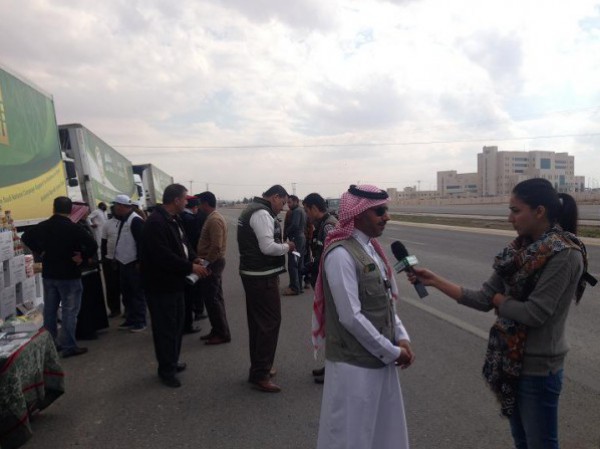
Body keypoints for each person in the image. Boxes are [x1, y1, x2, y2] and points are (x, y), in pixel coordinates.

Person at [408, 178, 595, 449]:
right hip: (509, 362)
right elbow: (483, 298)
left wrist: (500, 300)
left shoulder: (565, 254)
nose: (510, 218)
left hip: (538, 370)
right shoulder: (518, 251)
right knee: (522, 441)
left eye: (516, 211)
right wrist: (434, 281)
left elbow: (534, 313)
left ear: (539, 211)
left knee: (541, 444)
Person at [313, 184, 414, 449]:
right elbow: (351, 317)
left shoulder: (371, 250)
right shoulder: (341, 255)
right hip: (354, 368)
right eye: (379, 211)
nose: (386, 216)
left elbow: (385, 303)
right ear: (357, 213)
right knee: (351, 437)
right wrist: (393, 352)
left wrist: (402, 338)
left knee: (383, 433)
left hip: (381, 359)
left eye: (386, 210)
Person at [140, 184, 209, 388]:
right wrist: (190, 267)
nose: (187, 202)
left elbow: (183, 245)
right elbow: (163, 256)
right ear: (176, 200)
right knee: (165, 329)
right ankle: (166, 370)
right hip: (161, 286)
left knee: (176, 326)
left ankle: (172, 360)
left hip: (175, 283)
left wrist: (194, 259)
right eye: (185, 199)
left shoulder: (173, 219)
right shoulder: (156, 222)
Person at [21, 196, 98, 358]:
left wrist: (40, 251)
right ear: (70, 210)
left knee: (50, 311)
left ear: (53, 208)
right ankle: (69, 346)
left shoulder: (43, 226)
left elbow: (25, 237)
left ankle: (51, 346)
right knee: (70, 311)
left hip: (49, 274)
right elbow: (92, 244)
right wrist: (82, 257)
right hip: (69, 275)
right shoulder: (74, 228)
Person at [237, 185, 296, 392]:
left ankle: (259, 367)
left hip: (254, 274)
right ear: (275, 197)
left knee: (258, 324)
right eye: (282, 202)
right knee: (269, 324)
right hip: (261, 276)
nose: (283, 207)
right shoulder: (262, 213)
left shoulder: (252, 208)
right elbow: (268, 247)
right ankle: (261, 373)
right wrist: (287, 247)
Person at [303, 192, 338, 384]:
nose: (306, 214)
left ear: (315, 208)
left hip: (330, 284)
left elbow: (331, 255)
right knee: (329, 328)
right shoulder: (322, 224)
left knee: (333, 329)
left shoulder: (328, 225)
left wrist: (313, 266)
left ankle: (334, 370)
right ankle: (330, 365)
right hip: (323, 281)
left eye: (307, 210)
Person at [196, 191, 232, 345]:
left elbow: (216, 246)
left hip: (213, 263)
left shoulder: (214, 220)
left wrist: (205, 263)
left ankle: (222, 333)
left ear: (205, 204)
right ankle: (217, 329)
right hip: (212, 262)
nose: (198, 206)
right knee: (214, 298)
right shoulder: (212, 218)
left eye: (199, 203)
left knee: (213, 300)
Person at [112, 194, 146, 332]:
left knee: (136, 293)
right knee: (127, 294)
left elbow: (142, 243)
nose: (114, 208)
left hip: (133, 263)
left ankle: (140, 321)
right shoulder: (124, 219)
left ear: (121, 206)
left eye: (115, 205)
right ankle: (131, 319)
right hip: (124, 262)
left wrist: (140, 261)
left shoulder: (135, 220)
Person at [180, 196, 202, 334]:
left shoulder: (179, 217)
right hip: (190, 260)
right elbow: (193, 241)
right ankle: (189, 322)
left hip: (185, 259)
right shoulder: (191, 219)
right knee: (191, 291)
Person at [282, 195, 307, 296]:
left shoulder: (296, 211)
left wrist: (286, 233)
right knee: (299, 263)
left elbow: (294, 225)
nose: (288, 205)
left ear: (296, 201)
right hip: (301, 238)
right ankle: (299, 286)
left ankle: (294, 288)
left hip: (296, 240)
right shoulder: (302, 210)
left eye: (290, 202)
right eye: (287, 202)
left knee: (293, 263)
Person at [101, 206, 122, 318]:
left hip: (125, 260)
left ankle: (129, 310)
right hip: (110, 260)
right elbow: (103, 243)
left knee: (126, 286)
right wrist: (104, 258)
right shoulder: (107, 224)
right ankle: (114, 309)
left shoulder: (128, 222)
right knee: (111, 286)